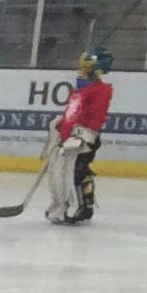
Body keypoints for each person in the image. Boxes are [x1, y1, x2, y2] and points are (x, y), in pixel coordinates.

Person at [48, 48, 113, 225]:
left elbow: (97, 117)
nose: (82, 71)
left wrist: (87, 136)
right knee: (59, 173)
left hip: (83, 138)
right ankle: (61, 205)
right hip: (68, 137)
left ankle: (82, 207)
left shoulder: (101, 90)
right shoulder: (80, 90)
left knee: (76, 171)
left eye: (87, 67)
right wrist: (62, 122)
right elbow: (73, 112)